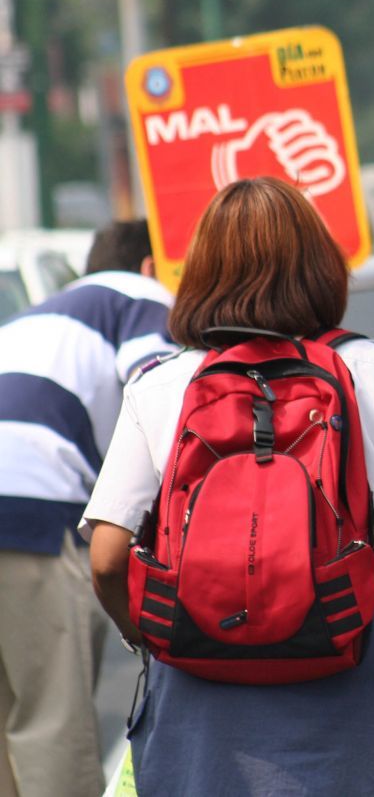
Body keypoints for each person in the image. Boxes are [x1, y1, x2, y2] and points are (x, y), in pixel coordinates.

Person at [82, 177, 374, 795]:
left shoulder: (160, 385)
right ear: (320, 266)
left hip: (199, 657)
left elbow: (108, 558)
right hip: (351, 651)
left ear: (200, 272)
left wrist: (153, 637)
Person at [0, 220, 172, 797]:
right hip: (30, 512)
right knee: (50, 716)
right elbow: (162, 393)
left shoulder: (38, 316)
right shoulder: (140, 296)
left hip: (16, 499)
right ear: (150, 265)